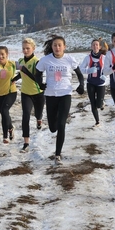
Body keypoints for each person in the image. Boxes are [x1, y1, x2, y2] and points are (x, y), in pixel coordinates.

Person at [35, 35, 85, 165]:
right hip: (50, 95)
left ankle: (57, 155)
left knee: (61, 124)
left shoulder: (69, 59)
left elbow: (80, 74)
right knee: (52, 127)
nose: (57, 47)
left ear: (64, 47)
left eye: (59, 45)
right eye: (55, 45)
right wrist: (40, 84)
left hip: (65, 94)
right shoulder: (45, 60)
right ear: (51, 47)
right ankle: (56, 121)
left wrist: (81, 85)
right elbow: (37, 73)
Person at [13, 38, 44, 153]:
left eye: (28, 48)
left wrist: (25, 70)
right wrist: (14, 79)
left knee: (38, 113)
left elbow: (37, 79)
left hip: (38, 93)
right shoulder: (20, 60)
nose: (25, 51)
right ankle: (26, 142)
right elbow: (21, 74)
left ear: (33, 48)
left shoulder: (37, 62)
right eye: (23, 49)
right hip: (25, 93)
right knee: (25, 116)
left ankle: (39, 119)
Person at [79, 38, 107, 127]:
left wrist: (105, 75)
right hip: (90, 83)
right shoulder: (87, 58)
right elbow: (81, 69)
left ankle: (101, 103)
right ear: (91, 46)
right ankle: (97, 121)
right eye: (93, 45)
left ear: (99, 47)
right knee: (92, 103)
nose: (95, 46)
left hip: (100, 84)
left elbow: (110, 69)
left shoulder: (104, 58)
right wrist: (88, 70)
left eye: (96, 45)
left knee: (98, 104)